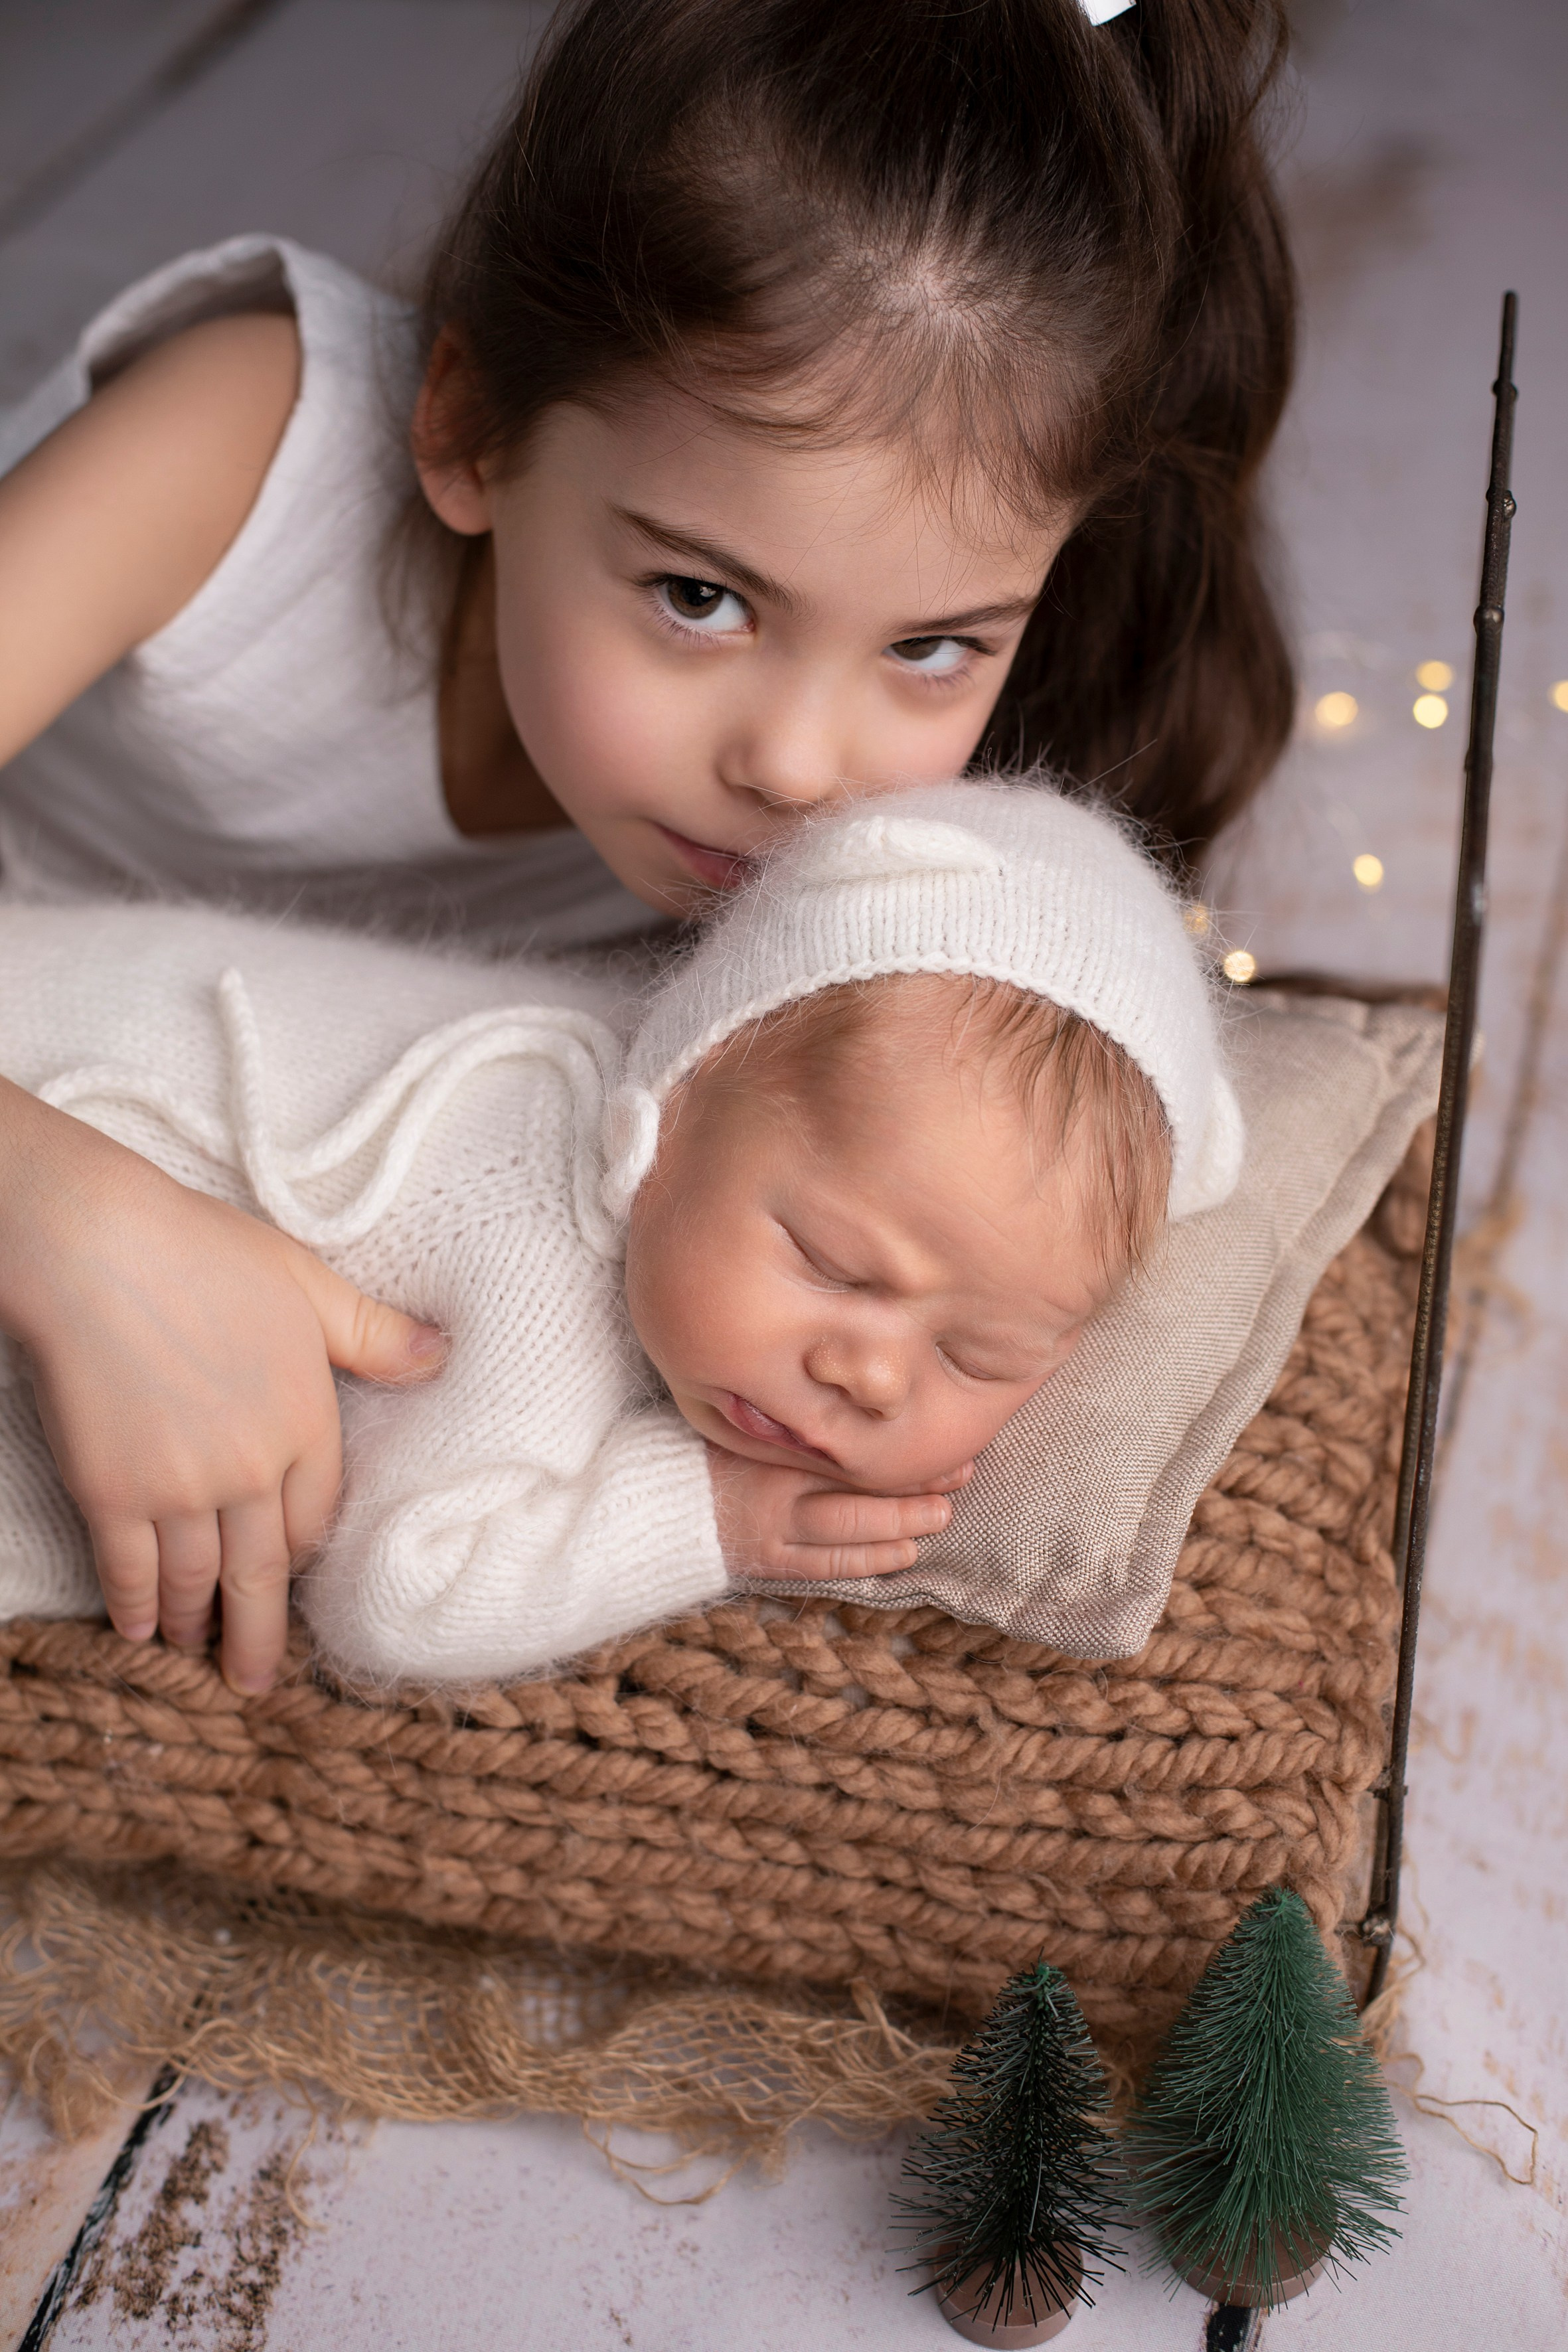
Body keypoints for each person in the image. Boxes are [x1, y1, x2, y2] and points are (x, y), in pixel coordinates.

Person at [0, 0, 1291, 1688]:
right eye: (699, 596)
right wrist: (79, 1224)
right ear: (468, 427)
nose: (801, 766)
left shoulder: (881, 888)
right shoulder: (244, 446)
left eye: (931, 646)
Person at [0, 783, 1239, 1685]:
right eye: (831, 1266)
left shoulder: (732, 1118)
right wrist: (707, 1515)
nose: (865, 1372)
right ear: (669, 1107)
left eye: (978, 1354)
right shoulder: (535, 1237)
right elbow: (404, 1599)